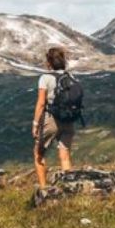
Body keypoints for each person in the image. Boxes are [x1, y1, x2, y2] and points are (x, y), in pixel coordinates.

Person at [32, 47, 77, 191]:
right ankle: (69, 189)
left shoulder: (45, 78)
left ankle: (44, 191)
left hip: (51, 120)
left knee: (38, 154)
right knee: (64, 156)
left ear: (49, 62)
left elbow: (41, 103)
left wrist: (35, 123)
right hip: (69, 120)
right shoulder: (71, 77)